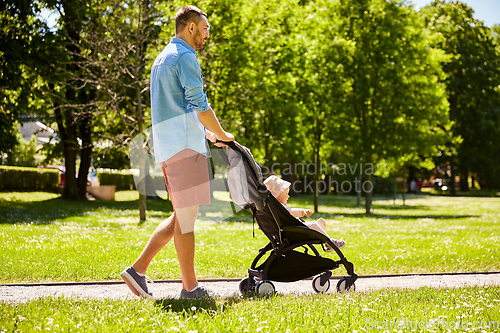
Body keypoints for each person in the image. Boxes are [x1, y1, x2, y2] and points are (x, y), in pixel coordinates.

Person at [121, 5, 234, 300]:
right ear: (191, 27)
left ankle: (137, 271)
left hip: (173, 145)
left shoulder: (162, 58)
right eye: (205, 28)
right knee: (186, 219)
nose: (208, 34)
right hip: (184, 149)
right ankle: (190, 288)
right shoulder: (185, 56)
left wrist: (206, 132)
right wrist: (222, 134)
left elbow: (177, 106)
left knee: (182, 215)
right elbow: (199, 103)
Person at [264, 175, 345, 251]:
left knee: (314, 226)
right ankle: (329, 242)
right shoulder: (278, 208)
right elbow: (290, 212)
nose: (288, 196)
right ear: (276, 196)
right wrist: (302, 211)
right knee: (313, 225)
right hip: (292, 232)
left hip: (288, 230)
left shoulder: (271, 207)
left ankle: (317, 230)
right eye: (286, 194)